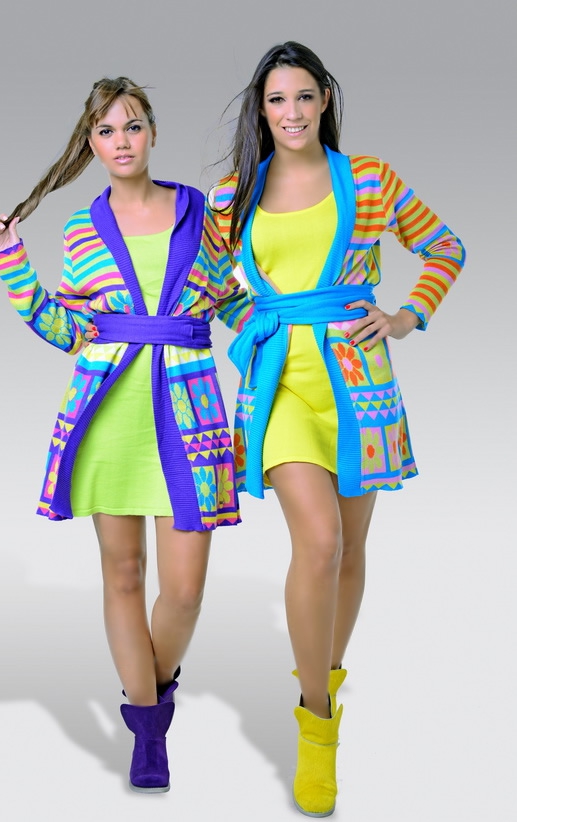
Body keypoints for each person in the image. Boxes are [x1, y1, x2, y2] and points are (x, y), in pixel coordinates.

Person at [207, 42, 467, 817]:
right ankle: (316, 725)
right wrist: (252, 323)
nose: (291, 112)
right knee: (318, 543)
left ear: (325, 99)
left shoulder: (371, 180)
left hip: (358, 388)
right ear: (261, 111)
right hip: (280, 385)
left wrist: (406, 316)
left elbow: (445, 247)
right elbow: (211, 283)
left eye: (303, 97)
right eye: (276, 100)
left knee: (350, 550)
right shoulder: (233, 194)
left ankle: (323, 669)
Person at [0, 76, 251, 794]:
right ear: (92, 144)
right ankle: (149, 730)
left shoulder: (202, 214)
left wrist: (292, 334)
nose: (121, 141)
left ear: (153, 132)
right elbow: (67, 329)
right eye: (106, 131)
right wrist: (12, 261)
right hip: (108, 413)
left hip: (191, 412)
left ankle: (147, 692)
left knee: (184, 591)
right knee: (124, 575)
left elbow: (234, 304)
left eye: (132, 126)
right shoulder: (80, 230)